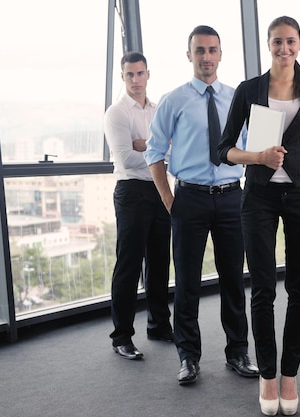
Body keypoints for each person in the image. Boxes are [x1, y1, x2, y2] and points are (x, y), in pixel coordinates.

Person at [218, 16, 300, 416]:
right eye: (276, 42)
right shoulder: (249, 90)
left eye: (290, 41)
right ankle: (268, 376)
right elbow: (224, 150)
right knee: (265, 288)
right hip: (260, 197)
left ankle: (290, 375)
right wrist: (258, 157)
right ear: (268, 45)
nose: (283, 48)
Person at [144, 25, 258, 385]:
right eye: (199, 50)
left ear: (220, 55)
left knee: (233, 280)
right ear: (189, 55)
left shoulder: (237, 98)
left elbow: (251, 146)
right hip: (189, 199)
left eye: (212, 50)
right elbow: (154, 151)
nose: (206, 57)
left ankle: (237, 352)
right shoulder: (173, 100)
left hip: (230, 197)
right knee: (188, 282)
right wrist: (168, 199)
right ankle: (188, 357)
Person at [103, 51, 173, 360]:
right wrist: (155, 150)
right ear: (123, 77)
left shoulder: (158, 111)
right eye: (129, 74)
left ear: (147, 74)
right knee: (129, 265)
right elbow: (125, 158)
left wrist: (145, 145)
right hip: (131, 192)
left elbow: (171, 150)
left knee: (159, 262)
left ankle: (158, 324)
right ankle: (122, 336)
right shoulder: (116, 113)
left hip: (159, 190)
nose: (135, 79)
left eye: (140, 73)